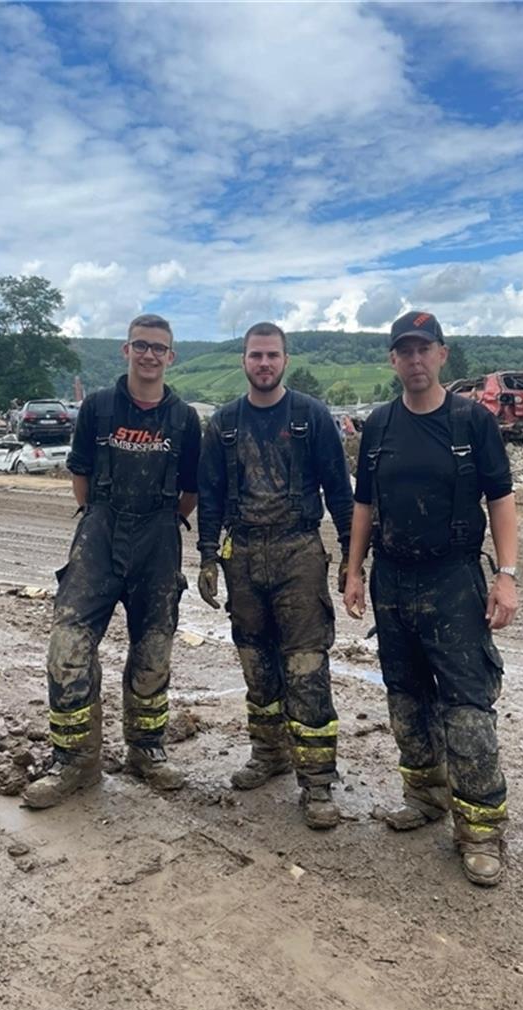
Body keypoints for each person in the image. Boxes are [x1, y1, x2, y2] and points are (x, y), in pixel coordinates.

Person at [342, 311, 518, 885]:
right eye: (404, 351)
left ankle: (481, 830)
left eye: (425, 350)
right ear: (393, 361)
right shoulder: (380, 426)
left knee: (467, 711)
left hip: (453, 580)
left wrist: (508, 575)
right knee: (406, 700)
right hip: (393, 580)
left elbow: (501, 499)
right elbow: (363, 505)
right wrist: (353, 570)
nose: (415, 360)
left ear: (442, 355)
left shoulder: (471, 421)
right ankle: (424, 797)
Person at [22, 313, 201, 808]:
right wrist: (107, 516)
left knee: (153, 654)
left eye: (158, 348)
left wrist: (157, 521)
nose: (149, 355)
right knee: (68, 646)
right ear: (126, 351)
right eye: (140, 345)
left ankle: (146, 751)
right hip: (99, 535)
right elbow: (80, 479)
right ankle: (75, 763)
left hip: (159, 540)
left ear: (171, 356)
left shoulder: (185, 419)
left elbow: (189, 493)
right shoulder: (98, 409)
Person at [197, 322, 354, 829]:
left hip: (298, 552)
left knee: (307, 668)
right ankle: (269, 755)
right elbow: (211, 495)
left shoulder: (310, 416)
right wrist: (205, 557)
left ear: (285, 359)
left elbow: (340, 491)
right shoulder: (223, 423)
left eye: (272, 355)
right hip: (241, 555)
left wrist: (353, 555)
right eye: (255, 355)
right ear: (243, 360)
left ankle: (317, 783)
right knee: (256, 666)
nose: (263, 364)